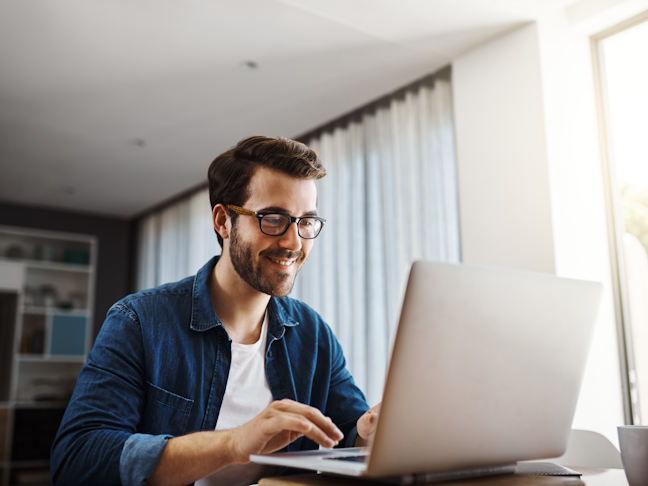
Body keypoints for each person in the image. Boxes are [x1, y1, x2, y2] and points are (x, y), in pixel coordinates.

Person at [51, 136, 380, 486]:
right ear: (223, 222)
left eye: (306, 222)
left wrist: (369, 433)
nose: (294, 242)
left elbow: (345, 439)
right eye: (273, 219)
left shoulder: (312, 333)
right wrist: (233, 443)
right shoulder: (139, 321)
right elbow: (77, 458)